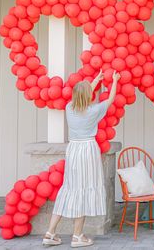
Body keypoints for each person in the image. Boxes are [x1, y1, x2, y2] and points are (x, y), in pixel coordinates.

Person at [42, 70, 120, 248]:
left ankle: (50, 233)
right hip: (88, 150)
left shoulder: (70, 108)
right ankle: (77, 236)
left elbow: (83, 94)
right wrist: (114, 81)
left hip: (74, 149)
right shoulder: (93, 110)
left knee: (69, 188)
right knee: (84, 189)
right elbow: (110, 99)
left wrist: (95, 80)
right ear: (88, 95)